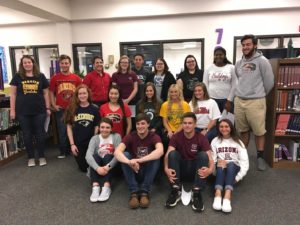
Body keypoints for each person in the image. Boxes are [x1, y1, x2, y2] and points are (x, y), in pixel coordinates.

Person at [234, 34, 274, 171]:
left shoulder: (262, 61)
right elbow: (239, 79)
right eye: (243, 45)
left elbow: (269, 83)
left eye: (248, 44)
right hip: (239, 101)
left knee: (259, 131)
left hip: (256, 102)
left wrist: (258, 94)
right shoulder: (238, 63)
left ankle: (260, 157)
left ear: (255, 45)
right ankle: (243, 155)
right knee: (243, 130)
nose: (245, 47)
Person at [164, 112, 214, 212]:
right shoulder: (176, 136)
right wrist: (165, 168)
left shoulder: (201, 137)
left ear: (195, 124)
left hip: (195, 171)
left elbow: (210, 157)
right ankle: (176, 189)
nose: (187, 125)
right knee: (172, 154)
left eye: (190, 123)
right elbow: (167, 154)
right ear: (182, 124)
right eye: (185, 123)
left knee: (203, 155)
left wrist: (210, 169)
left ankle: (196, 191)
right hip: (180, 171)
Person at [114, 113, 164, 209]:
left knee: (156, 156)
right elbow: (117, 152)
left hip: (148, 171)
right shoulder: (131, 136)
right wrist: (130, 162)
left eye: (143, 123)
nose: (140, 126)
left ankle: (145, 191)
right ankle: (134, 192)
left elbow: (160, 151)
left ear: (148, 124)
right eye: (138, 124)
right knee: (125, 155)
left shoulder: (154, 136)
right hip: (134, 170)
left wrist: (139, 160)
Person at [9, 55, 51, 167]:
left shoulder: (40, 76)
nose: (27, 64)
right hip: (22, 111)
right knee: (26, 135)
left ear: (33, 63)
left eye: (29, 62)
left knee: (40, 134)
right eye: (25, 63)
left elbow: (46, 93)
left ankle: (41, 156)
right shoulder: (17, 77)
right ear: (22, 65)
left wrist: (47, 107)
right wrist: (12, 110)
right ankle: (31, 157)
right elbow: (12, 94)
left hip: (39, 110)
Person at [211, 119, 249, 213]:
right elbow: (212, 160)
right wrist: (215, 171)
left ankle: (228, 194)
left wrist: (238, 177)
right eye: (221, 126)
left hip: (234, 171)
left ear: (231, 128)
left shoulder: (238, 142)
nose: (224, 129)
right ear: (218, 128)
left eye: (226, 126)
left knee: (231, 163)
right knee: (221, 163)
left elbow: (245, 162)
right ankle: (218, 193)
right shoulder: (215, 141)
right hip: (220, 170)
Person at [49, 54, 82, 158]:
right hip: (61, 109)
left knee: (76, 129)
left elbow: (81, 92)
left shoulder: (76, 78)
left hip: (74, 108)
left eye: (66, 63)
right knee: (62, 131)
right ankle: (64, 151)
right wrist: (53, 105)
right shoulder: (55, 78)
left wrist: (79, 105)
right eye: (62, 63)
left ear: (70, 64)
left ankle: (76, 149)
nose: (64, 65)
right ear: (60, 64)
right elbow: (51, 92)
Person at [64, 84, 100, 172]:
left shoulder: (94, 109)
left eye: (84, 93)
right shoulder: (71, 108)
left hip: (90, 142)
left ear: (88, 94)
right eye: (80, 94)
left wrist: (94, 142)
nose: (82, 96)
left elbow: (96, 126)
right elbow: (69, 127)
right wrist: (72, 145)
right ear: (77, 95)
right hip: (78, 143)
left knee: (93, 165)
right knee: (84, 168)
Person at [85, 117, 121, 203]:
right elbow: (88, 155)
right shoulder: (94, 138)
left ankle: (106, 186)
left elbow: (118, 154)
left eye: (107, 127)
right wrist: (97, 168)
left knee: (108, 155)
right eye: (102, 127)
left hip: (112, 166)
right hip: (99, 167)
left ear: (111, 128)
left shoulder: (116, 136)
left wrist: (108, 166)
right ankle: (95, 186)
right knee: (95, 156)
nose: (104, 130)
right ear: (99, 128)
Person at [203, 47, 237, 113]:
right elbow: (205, 84)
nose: (218, 56)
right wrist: (209, 100)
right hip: (212, 99)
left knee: (227, 121)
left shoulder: (231, 67)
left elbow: (235, 85)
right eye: (216, 55)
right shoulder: (208, 68)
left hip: (227, 100)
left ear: (224, 56)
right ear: (214, 56)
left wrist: (229, 100)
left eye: (221, 54)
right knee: (214, 121)